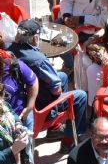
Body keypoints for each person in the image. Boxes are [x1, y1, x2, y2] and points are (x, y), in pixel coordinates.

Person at [10, 19, 88, 153]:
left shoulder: (9, 50)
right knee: (81, 96)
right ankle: (69, 141)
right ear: (35, 38)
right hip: (40, 106)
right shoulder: (38, 60)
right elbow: (57, 91)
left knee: (62, 76)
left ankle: (55, 129)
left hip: (24, 99)